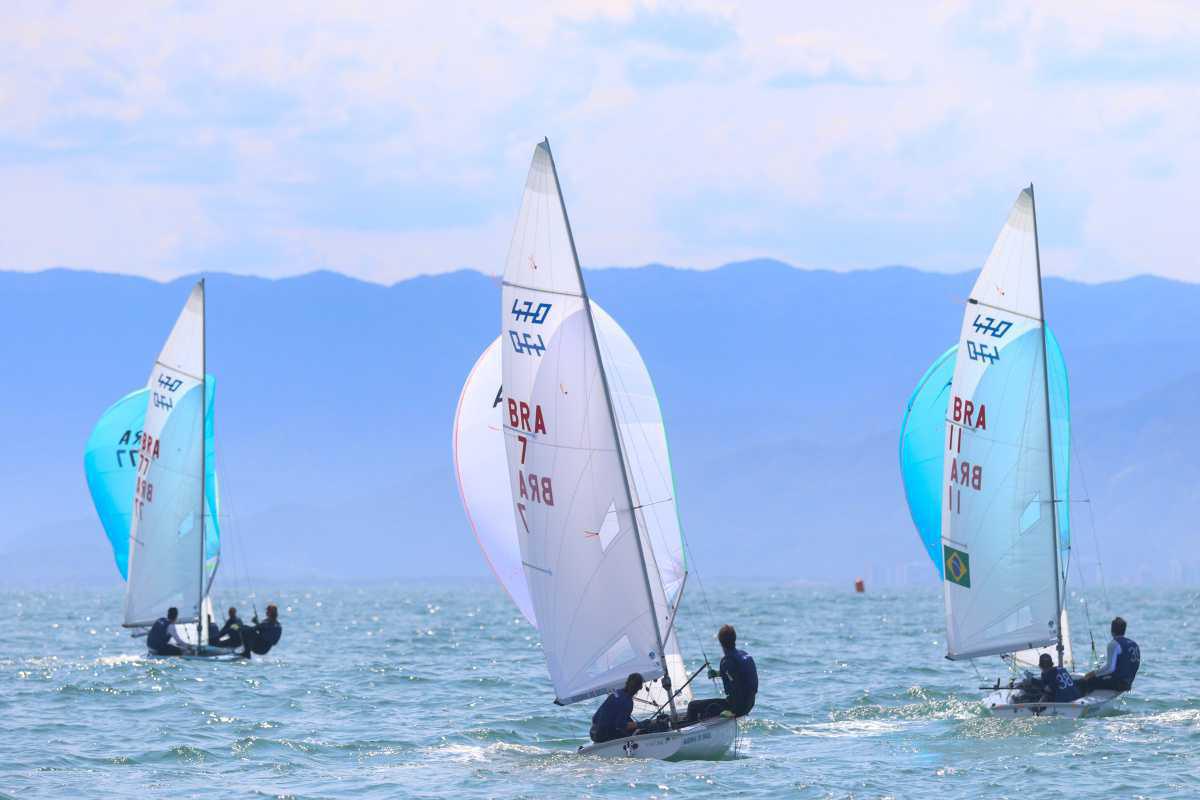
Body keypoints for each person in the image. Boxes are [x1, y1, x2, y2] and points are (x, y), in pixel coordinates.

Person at [685, 624, 758, 723]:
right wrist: (718, 673)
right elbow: (740, 677)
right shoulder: (744, 655)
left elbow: (737, 687)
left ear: (720, 642)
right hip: (749, 704)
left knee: (693, 706)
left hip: (736, 707)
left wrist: (733, 712)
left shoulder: (727, 662)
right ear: (734, 639)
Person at [1079, 616, 1140, 694]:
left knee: (1084, 681)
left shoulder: (1114, 644)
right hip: (1128, 684)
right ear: (1124, 630)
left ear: (1112, 630)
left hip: (1117, 684)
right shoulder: (1134, 644)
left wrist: (1092, 674)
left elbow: (1110, 668)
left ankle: (1079, 703)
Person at [590, 673, 643, 743]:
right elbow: (621, 725)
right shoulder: (628, 703)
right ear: (640, 687)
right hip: (602, 737)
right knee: (639, 733)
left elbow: (594, 718)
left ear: (627, 682)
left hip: (593, 732)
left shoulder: (616, 693)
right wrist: (641, 724)